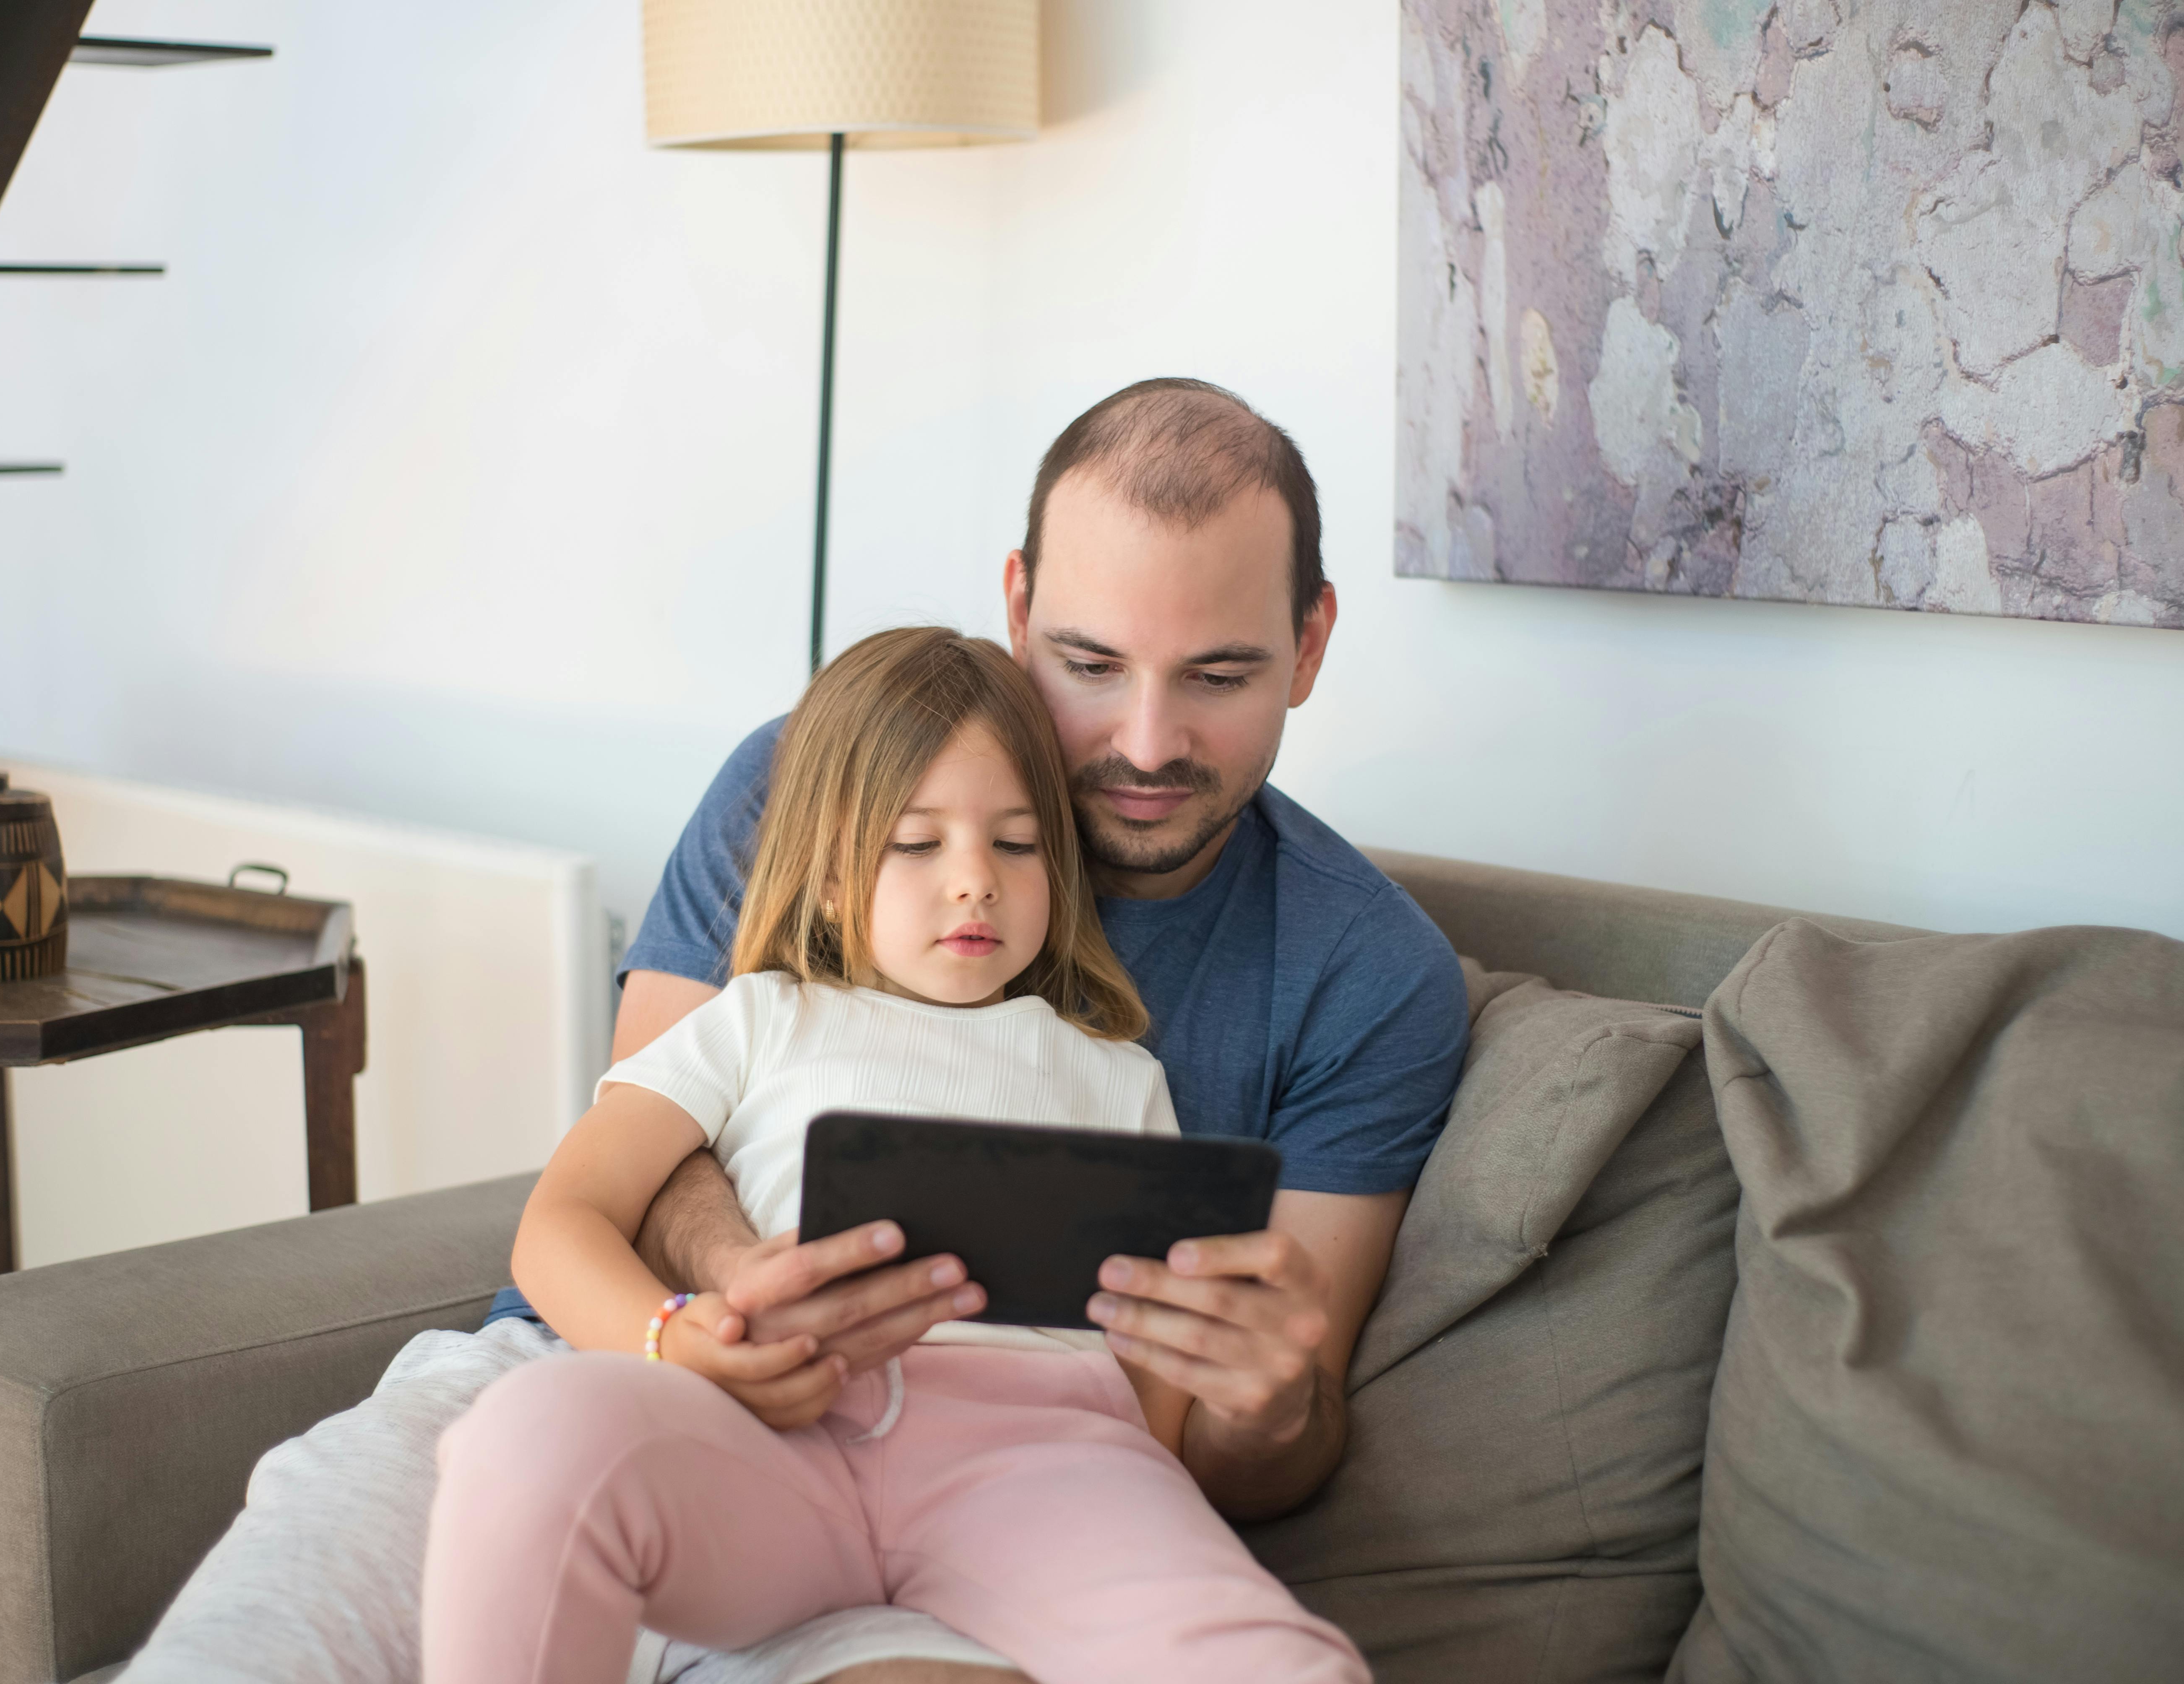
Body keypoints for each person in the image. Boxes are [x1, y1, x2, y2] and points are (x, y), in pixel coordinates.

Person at [122, 378, 1466, 1684]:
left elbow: (1206, 1443)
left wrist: (1264, 1400)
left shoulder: (1349, 983)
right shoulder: (813, 781)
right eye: (1091, 665)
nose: (1148, 741)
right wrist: (717, 1310)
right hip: (631, 1390)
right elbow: (622, 1180)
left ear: (1310, 644)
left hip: (1000, 1489)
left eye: (1219, 674)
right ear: (1017, 607)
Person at [422, 626, 1368, 1684]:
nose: (974, 881)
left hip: (1038, 1471)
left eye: (1016, 844)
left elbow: (1155, 1394)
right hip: (772, 1440)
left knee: (1280, 1666)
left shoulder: (1120, 1077)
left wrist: (1221, 1407)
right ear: (830, 876)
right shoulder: (757, 1019)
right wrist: (672, 1340)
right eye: (917, 844)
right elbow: (566, 1217)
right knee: (528, 1437)